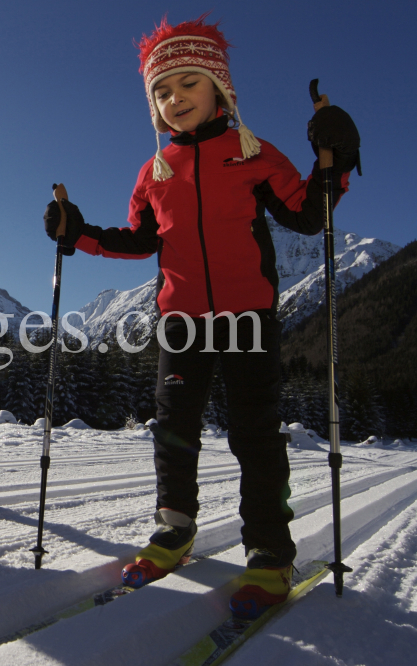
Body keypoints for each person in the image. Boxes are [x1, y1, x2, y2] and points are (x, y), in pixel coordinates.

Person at [42, 16, 359, 619]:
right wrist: (76, 232)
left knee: (254, 434)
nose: (174, 98)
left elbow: (305, 216)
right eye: (162, 90)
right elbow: (137, 241)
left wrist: (334, 161)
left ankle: (269, 551)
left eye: (188, 82)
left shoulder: (254, 154)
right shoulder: (154, 173)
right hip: (181, 319)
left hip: (247, 317)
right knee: (173, 428)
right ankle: (174, 528)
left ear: (220, 88)